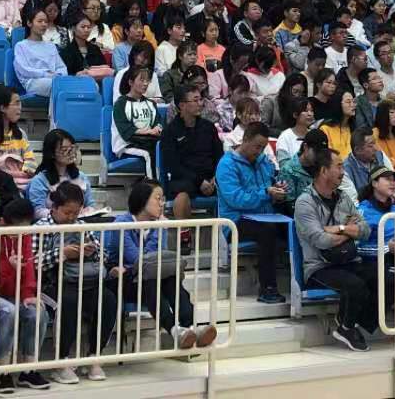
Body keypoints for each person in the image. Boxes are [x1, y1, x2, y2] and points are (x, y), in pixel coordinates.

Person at [109, 180, 218, 352]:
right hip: (124, 281)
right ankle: (177, 330)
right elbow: (139, 260)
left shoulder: (159, 224)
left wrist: (159, 228)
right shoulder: (121, 224)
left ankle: (188, 328)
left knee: (170, 279)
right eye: (157, 198)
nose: (162, 204)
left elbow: (159, 259)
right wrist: (159, 229)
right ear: (142, 199)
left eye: (163, 199)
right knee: (151, 279)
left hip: (149, 277)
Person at [34, 181, 118, 383]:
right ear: (54, 208)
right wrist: (61, 253)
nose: (71, 217)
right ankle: (61, 362)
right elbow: (32, 262)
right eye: (67, 212)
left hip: (83, 280)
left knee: (107, 299)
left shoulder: (81, 226)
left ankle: (94, 357)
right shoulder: (40, 228)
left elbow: (104, 255)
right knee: (68, 302)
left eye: (76, 213)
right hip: (50, 284)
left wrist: (91, 252)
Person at [295, 147, 377, 351]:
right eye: (339, 167)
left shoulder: (343, 197)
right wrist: (349, 231)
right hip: (319, 266)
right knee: (356, 285)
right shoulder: (305, 202)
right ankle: (347, 328)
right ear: (324, 171)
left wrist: (339, 229)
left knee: (382, 277)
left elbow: (365, 230)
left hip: (348, 259)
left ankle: (353, 320)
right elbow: (320, 239)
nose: (343, 172)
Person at [0, 196, 53, 394]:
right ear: (3, 222)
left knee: (37, 311)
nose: (20, 235)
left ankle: (28, 370)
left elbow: (28, 266)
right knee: (8, 311)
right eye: (16, 230)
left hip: (11, 293)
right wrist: (8, 266)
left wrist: (29, 293)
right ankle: (3, 372)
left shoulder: (23, 234)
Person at [216, 120, 287, 304]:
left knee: (296, 225)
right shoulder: (226, 165)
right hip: (236, 221)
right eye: (257, 146)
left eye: (263, 147)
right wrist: (266, 193)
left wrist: (277, 189)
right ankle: (267, 288)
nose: (260, 151)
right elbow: (236, 199)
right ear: (245, 139)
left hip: (266, 216)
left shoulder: (264, 162)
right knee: (267, 231)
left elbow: (270, 185)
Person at [161, 84, 223, 223]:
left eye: (200, 99)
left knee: (228, 184)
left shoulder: (209, 127)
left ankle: (226, 231)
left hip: (210, 178)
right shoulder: (170, 131)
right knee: (182, 193)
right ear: (182, 105)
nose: (200, 104)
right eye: (195, 100)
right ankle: (184, 232)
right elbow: (173, 165)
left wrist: (215, 177)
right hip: (185, 179)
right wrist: (199, 181)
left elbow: (219, 155)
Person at [26, 129, 97, 219]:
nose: (70, 153)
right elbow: (37, 211)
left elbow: (90, 204)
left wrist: (87, 212)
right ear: (51, 153)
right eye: (64, 150)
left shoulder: (81, 177)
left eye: (72, 148)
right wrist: (61, 216)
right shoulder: (39, 181)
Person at [111, 66, 161, 178]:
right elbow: (125, 130)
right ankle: (152, 184)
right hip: (127, 144)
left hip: (149, 140)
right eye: (141, 80)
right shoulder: (120, 104)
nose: (145, 84)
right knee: (149, 153)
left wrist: (157, 128)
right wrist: (148, 132)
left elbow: (158, 122)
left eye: (147, 80)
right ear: (131, 82)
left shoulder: (151, 103)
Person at [0, 86, 37, 191]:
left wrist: (24, 171)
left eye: (20, 103)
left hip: (21, 185)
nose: (20, 108)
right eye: (16, 103)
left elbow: (31, 161)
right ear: (2, 108)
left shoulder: (20, 134)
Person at [15, 5, 68, 98]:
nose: (44, 24)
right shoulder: (21, 46)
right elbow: (23, 69)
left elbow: (61, 66)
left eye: (46, 22)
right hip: (33, 81)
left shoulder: (51, 45)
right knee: (56, 86)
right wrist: (46, 74)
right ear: (29, 23)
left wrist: (60, 75)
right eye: (40, 21)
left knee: (75, 84)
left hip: (54, 79)